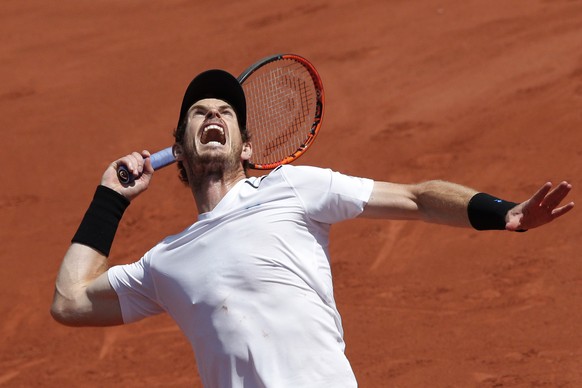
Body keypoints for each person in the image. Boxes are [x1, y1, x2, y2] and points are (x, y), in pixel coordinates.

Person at [51, 69, 574, 388]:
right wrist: (108, 200)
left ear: (247, 147)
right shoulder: (164, 262)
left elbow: (416, 197)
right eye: (199, 112)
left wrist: (502, 213)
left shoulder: (293, 187)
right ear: (181, 151)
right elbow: (69, 302)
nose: (214, 112)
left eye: (227, 111)